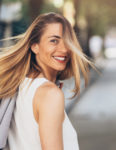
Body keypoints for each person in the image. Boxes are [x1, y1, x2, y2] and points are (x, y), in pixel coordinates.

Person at [0, 12, 93, 150]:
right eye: (54, 40)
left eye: (68, 41)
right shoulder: (50, 94)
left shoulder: (18, 85)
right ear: (34, 46)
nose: (64, 49)